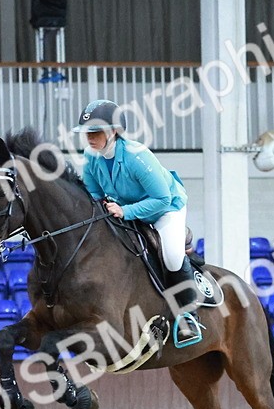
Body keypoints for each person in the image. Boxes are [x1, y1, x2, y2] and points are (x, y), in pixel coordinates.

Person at [72, 99, 201, 345]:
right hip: (124, 210)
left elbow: (162, 199)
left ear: (113, 131)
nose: (89, 137)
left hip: (164, 210)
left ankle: (188, 315)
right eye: (87, 132)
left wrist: (125, 211)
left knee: (172, 257)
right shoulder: (90, 156)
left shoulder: (137, 156)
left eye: (96, 132)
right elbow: (94, 195)